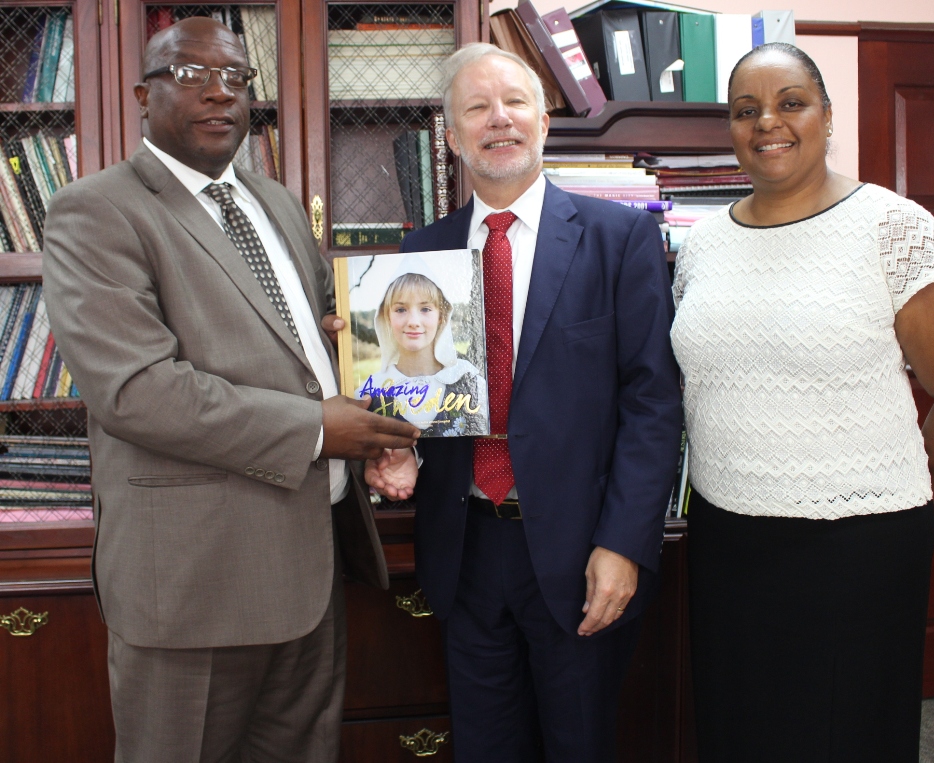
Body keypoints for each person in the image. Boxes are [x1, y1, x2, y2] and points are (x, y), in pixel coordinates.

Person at [41, 17, 418, 763]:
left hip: (310, 568)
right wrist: (320, 430)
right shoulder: (97, 210)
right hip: (194, 586)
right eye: (191, 75)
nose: (219, 93)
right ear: (144, 95)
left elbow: (314, 346)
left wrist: (372, 419)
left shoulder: (274, 201)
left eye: (236, 78)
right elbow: (139, 390)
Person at [671, 42, 934, 763]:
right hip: (728, 537)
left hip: (857, 546)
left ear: (826, 115)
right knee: (740, 728)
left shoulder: (891, 227)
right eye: (746, 110)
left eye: (790, 103)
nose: (768, 122)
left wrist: (895, 493)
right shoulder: (703, 245)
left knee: (843, 735)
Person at [365, 43, 683, 762]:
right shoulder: (421, 253)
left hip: (583, 552)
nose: (498, 119)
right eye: (477, 108)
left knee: (578, 744)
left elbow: (653, 404)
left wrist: (623, 544)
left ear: (543, 122)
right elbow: (419, 396)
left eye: (514, 103)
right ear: (453, 138)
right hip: (465, 549)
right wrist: (398, 449)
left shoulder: (620, 238)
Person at [363, 254, 488, 436]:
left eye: (425, 309)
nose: (413, 322)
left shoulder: (471, 384)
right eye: (401, 309)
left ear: (441, 316)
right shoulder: (369, 391)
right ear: (387, 316)